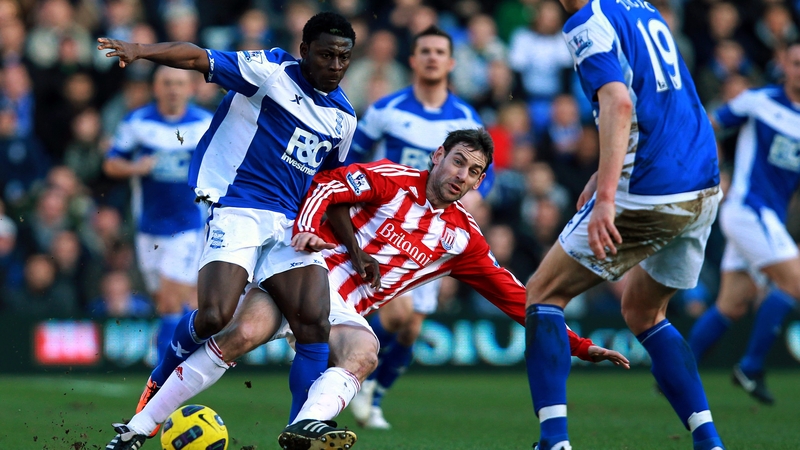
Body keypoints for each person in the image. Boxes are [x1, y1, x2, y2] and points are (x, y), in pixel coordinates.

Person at [111, 129, 629, 450]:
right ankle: (137, 428)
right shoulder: (392, 179)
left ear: (479, 183)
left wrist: (579, 345)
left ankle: (307, 428)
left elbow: (519, 298)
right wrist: (307, 229)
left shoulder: (462, 239)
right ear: (437, 155)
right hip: (304, 269)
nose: (462, 175)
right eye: (457, 161)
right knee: (241, 333)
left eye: (474, 172)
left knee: (364, 350)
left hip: (344, 308)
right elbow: (328, 185)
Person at [97, 11, 358, 449]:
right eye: (326, 55)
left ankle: (301, 431)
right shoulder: (270, 70)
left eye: (343, 58)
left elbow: (330, 187)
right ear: (304, 51)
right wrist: (141, 50)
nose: (335, 65)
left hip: (290, 224)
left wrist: (355, 250)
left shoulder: (344, 118)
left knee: (314, 323)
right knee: (214, 316)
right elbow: (198, 57)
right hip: (240, 207)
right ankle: (152, 396)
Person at [522, 1, 726, 449]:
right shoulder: (643, 10)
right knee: (643, 311)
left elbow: (618, 101)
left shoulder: (586, 21)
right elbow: (661, 101)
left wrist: (607, 198)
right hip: (702, 183)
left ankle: (554, 440)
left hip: (651, 186)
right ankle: (709, 441)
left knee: (543, 292)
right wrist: (602, 171)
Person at [344, 25, 494, 430]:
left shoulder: (466, 117)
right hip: (389, 227)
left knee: (411, 328)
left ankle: (374, 394)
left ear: (451, 62)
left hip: (435, 232)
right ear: (412, 60)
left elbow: (487, 172)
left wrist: (478, 196)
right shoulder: (387, 109)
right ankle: (348, 365)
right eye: (424, 50)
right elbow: (352, 156)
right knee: (398, 315)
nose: (432, 57)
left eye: (439, 51)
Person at [688, 41, 800, 406]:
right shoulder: (758, 101)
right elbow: (707, 125)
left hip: (768, 216)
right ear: (784, 65)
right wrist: (711, 169)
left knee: (732, 304)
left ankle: (677, 369)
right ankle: (750, 367)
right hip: (748, 208)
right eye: (796, 62)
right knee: (795, 282)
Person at [103, 65, 212, 362]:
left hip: (187, 224)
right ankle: (194, 351)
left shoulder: (205, 124)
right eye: (167, 83)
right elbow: (111, 163)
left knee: (170, 300)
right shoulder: (137, 123)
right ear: (156, 87)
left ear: (190, 88)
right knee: (165, 301)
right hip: (148, 226)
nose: (173, 89)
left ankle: (165, 369)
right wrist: (135, 168)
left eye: (179, 83)